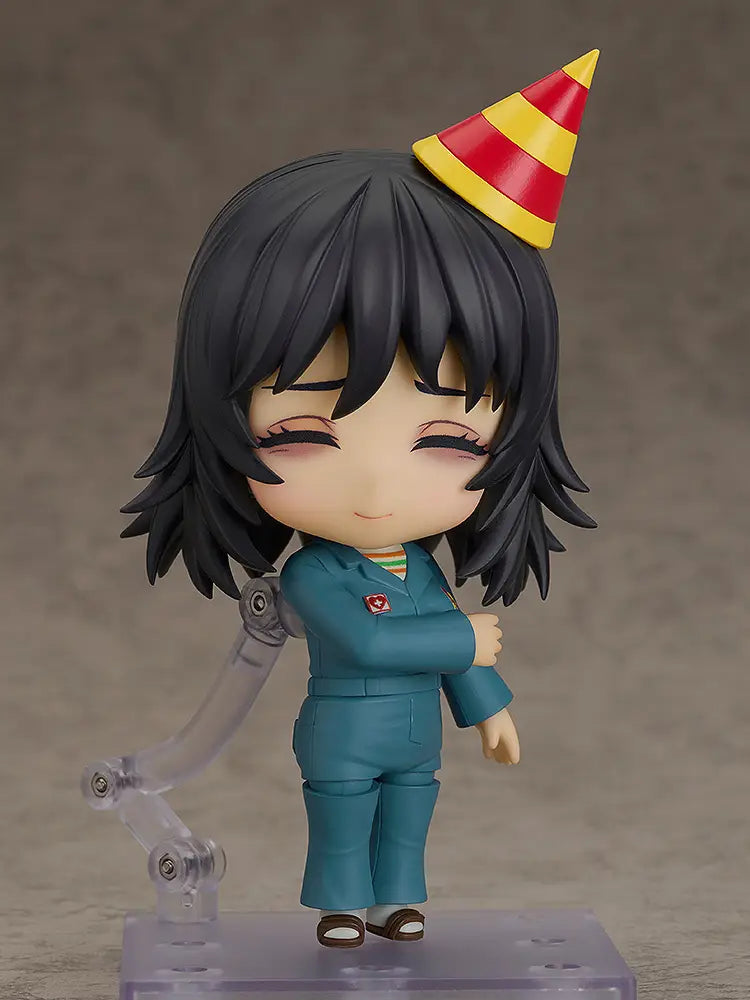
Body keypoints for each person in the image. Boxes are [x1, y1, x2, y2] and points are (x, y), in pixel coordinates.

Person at [122, 51, 599, 948]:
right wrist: (465, 641)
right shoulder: (316, 577)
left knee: (410, 816)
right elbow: (373, 641)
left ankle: (397, 902)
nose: (377, 484)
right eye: (303, 432)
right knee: (344, 819)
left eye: (449, 440)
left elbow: (448, 641)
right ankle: (341, 906)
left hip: (416, 738)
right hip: (342, 735)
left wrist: (489, 703)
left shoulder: (419, 569)